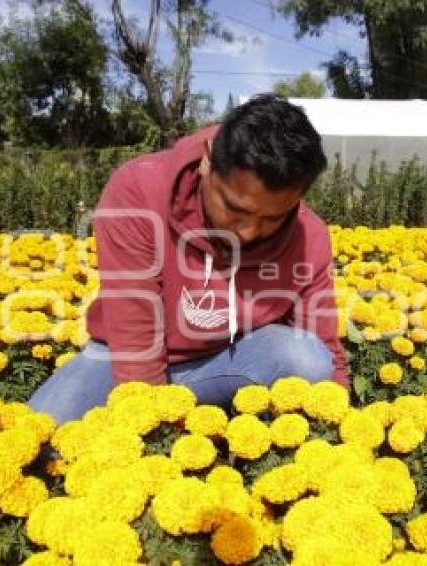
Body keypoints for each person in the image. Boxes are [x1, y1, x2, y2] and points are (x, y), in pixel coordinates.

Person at [28, 94, 349, 424]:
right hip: (128, 355)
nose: (250, 232)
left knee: (309, 359)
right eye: (235, 209)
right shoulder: (138, 191)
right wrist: (155, 439)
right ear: (208, 160)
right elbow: (136, 342)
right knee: (44, 432)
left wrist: (345, 430)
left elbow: (324, 342)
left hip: (233, 358)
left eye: (273, 218)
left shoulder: (309, 235)